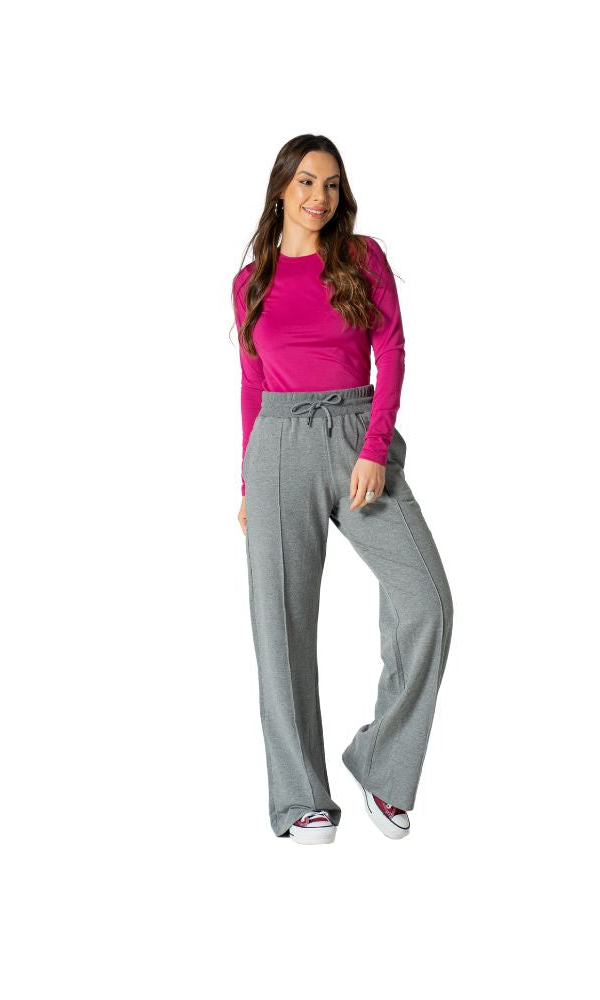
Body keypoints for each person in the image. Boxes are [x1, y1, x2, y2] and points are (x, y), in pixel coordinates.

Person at [233, 134, 454, 844]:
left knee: (427, 599)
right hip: (278, 445)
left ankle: (383, 763)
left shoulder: (362, 258)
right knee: (282, 625)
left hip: (358, 431)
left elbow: (391, 349)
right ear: (281, 189)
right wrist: (248, 479)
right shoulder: (251, 282)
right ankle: (300, 798)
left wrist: (375, 448)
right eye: (306, 181)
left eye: (331, 184)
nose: (319, 197)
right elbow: (252, 383)